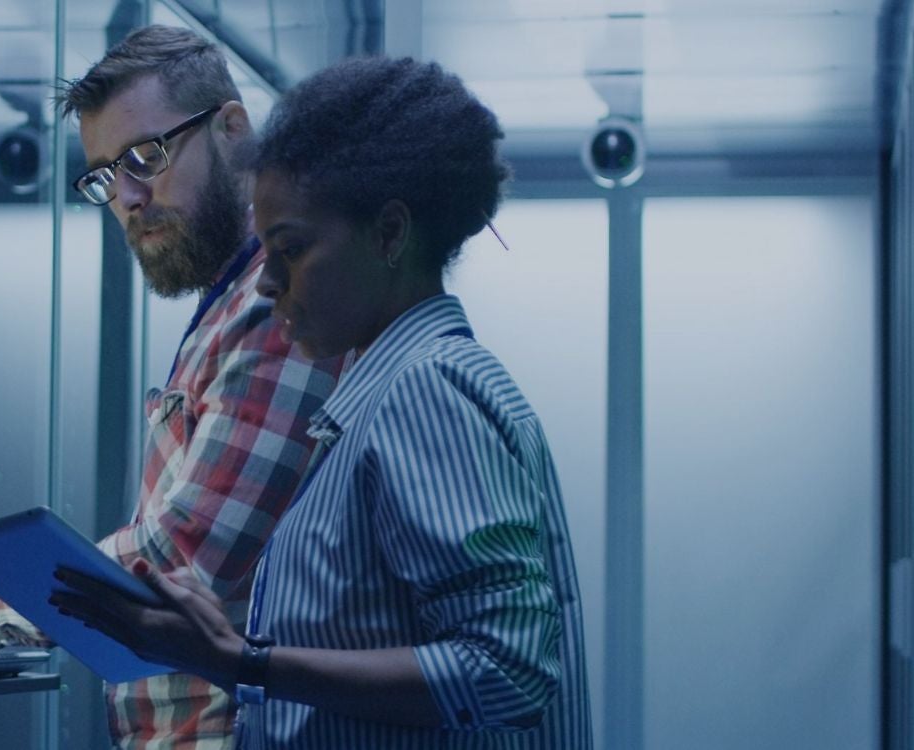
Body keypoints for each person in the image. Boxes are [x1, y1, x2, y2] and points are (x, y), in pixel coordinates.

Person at [51, 56, 593, 748]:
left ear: (389, 234)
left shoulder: (424, 389)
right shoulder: (379, 396)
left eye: (292, 249)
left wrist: (242, 663)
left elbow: (506, 670)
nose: (269, 284)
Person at [0, 25, 343, 748]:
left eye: (146, 157)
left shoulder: (273, 309)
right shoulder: (231, 307)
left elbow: (178, 561)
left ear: (233, 129)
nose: (128, 198)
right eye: (104, 176)